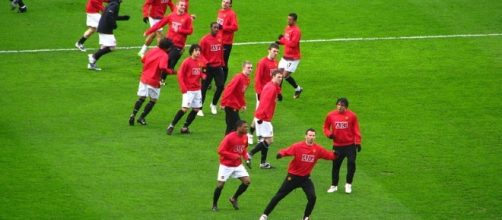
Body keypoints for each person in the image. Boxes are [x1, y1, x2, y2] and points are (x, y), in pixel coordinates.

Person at [259, 128, 336, 220]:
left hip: (305, 178)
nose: (311, 137)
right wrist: (280, 154)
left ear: (315, 137)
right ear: (305, 136)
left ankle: (306, 217)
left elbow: (328, 155)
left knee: (312, 197)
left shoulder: (318, 149)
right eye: (310, 135)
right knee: (279, 196)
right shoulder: (298, 146)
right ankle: (264, 215)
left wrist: (336, 154)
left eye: (313, 135)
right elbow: (287, 151)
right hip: (293, 177)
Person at [128, 38, 175, 126]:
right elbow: (162, 67)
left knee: (141, 98)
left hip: (144, 77)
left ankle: (133, 115)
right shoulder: (164, 55)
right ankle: (141, 117)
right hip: (153, 80)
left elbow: (143, 60)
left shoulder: (152, 49)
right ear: (167, 48)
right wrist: (172, 71)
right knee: (153, 100)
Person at [323, 97, 362, 194]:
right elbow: (325, 127)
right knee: (336, 166)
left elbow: (356, 129)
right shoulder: (330, 115)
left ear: (346, 107)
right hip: (337, 146)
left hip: (350, 145)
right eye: (338, 105)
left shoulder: (352, 116)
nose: (339, 107)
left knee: (352, 163)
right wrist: (329, 134)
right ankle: (334, 185)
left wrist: (358, 142)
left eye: (342, 105)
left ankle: (348, 184)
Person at [212, 120, 252, 211]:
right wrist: (234, 156)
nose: (247, 128)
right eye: (245, 127)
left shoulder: (245, 137)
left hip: (237, 165)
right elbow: (220, 151)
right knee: (220, 185)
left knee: (247, 181)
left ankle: (233, 198)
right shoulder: (229, 137)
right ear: (239, 128)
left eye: (247, 127)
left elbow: (244, 149)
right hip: (226, 165)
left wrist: (246, 159)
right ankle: (214, 205)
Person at [166, 44, 206, 135]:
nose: (198, 52)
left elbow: (200, 73)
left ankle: (185, 127)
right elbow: (180, 75)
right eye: (196, 50)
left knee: (196, 109)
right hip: (189, 90)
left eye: (199, 51)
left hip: (197, 90)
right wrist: (183, 88)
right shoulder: (187, 62)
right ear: (192, 51)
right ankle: (171, 125)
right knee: (184, 109)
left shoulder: (200, 62)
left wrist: (203, 75)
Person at [248, 70, 283, 169]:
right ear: (273, 76)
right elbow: (264, 103)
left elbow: (277, 91)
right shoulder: (271, 89)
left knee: (265, 140)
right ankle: (250, 154)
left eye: (281, 77)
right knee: (270, 140)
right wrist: (260, 118)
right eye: (278, 77)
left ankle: (263, 163)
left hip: (263, 117)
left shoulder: (271, 85)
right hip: (263, 118)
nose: (280, 79)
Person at [144, 0, 193, 71]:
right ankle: (159, 74)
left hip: (178, 44)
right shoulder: (171, 16)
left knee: (169, 60)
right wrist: (148, 31)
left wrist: (180, 30)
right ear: (177, 6)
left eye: (184, 6)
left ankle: (163, 76)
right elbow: (159, 24)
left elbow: (190, 31)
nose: (183, 7)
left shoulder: (187, 18)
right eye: (181, 5)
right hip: (169, 42)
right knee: (161, 57)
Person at [247, 43, 280, 145]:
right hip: (263, 93)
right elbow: (258, 78)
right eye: (274, 51)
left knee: (261, 114)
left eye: (277, 52)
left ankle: (255, 134)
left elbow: (277, 79)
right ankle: (253, 135)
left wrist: (278, 92)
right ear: (269, 50)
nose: (275, 53)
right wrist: (259, 93)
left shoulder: (275, 63)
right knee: (259, 114)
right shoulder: (262, 62)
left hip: (271, 92)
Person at [87, 0, 130, 71]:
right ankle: (93, 57)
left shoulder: (113, 3)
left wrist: (123, 18)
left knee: (105, 47)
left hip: (103, 27)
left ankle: (92, 63)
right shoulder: (115, 4)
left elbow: (111, 15)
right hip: (105, 27)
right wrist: (114, 24)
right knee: (112, 46)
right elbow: (109, 15)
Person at [199, 22, 225, 116]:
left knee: (221, 86)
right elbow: (200, 53)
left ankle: (213, 104)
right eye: (214, 27)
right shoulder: (204, 40)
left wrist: (222, 62)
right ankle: (199, 108)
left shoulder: (219, 37)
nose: (216, 29)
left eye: (217, 28)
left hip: (218, 66)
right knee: (204, 88)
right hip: (208, 67)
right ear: (210, 28)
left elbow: (221, 50)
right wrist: (205, 63)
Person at [220, 61, 252, 134]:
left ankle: (226, 143)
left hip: (236, 106)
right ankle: (227, 143)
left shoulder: (247, 79)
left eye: (251, 68)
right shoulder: (238, 77)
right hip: (230, 105)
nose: (250, 69)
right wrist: (223, 103)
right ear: (243, 68)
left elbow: (241, 93)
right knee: (237, 126)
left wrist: (243, 104)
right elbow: (229, 89)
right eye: (248, 67)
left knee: (231, 126)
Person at [276, 12, 303, 99]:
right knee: (279, 74)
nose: (288, 21)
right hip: (285, 56)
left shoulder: (297, 31)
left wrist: (282, 39)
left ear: (294, 20)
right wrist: (280, 42)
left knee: (284, 75)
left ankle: (297, 89)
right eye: (288, 19)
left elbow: (293, 44)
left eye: (290, 19)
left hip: (293, 58)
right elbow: (286, 41)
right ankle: (278, 93)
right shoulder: (287, 28)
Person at [216, 0, 239, 83]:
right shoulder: (220, 11)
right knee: (214, 61)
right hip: (218, 41)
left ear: (230, 5)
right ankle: (211, 80)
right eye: (223, 1)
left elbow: (235, 27)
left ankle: (221, 83)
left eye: (227, 2)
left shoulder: (231, 14)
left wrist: (223, 27)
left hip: (226, 43)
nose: (224, 3)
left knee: (223, 63)